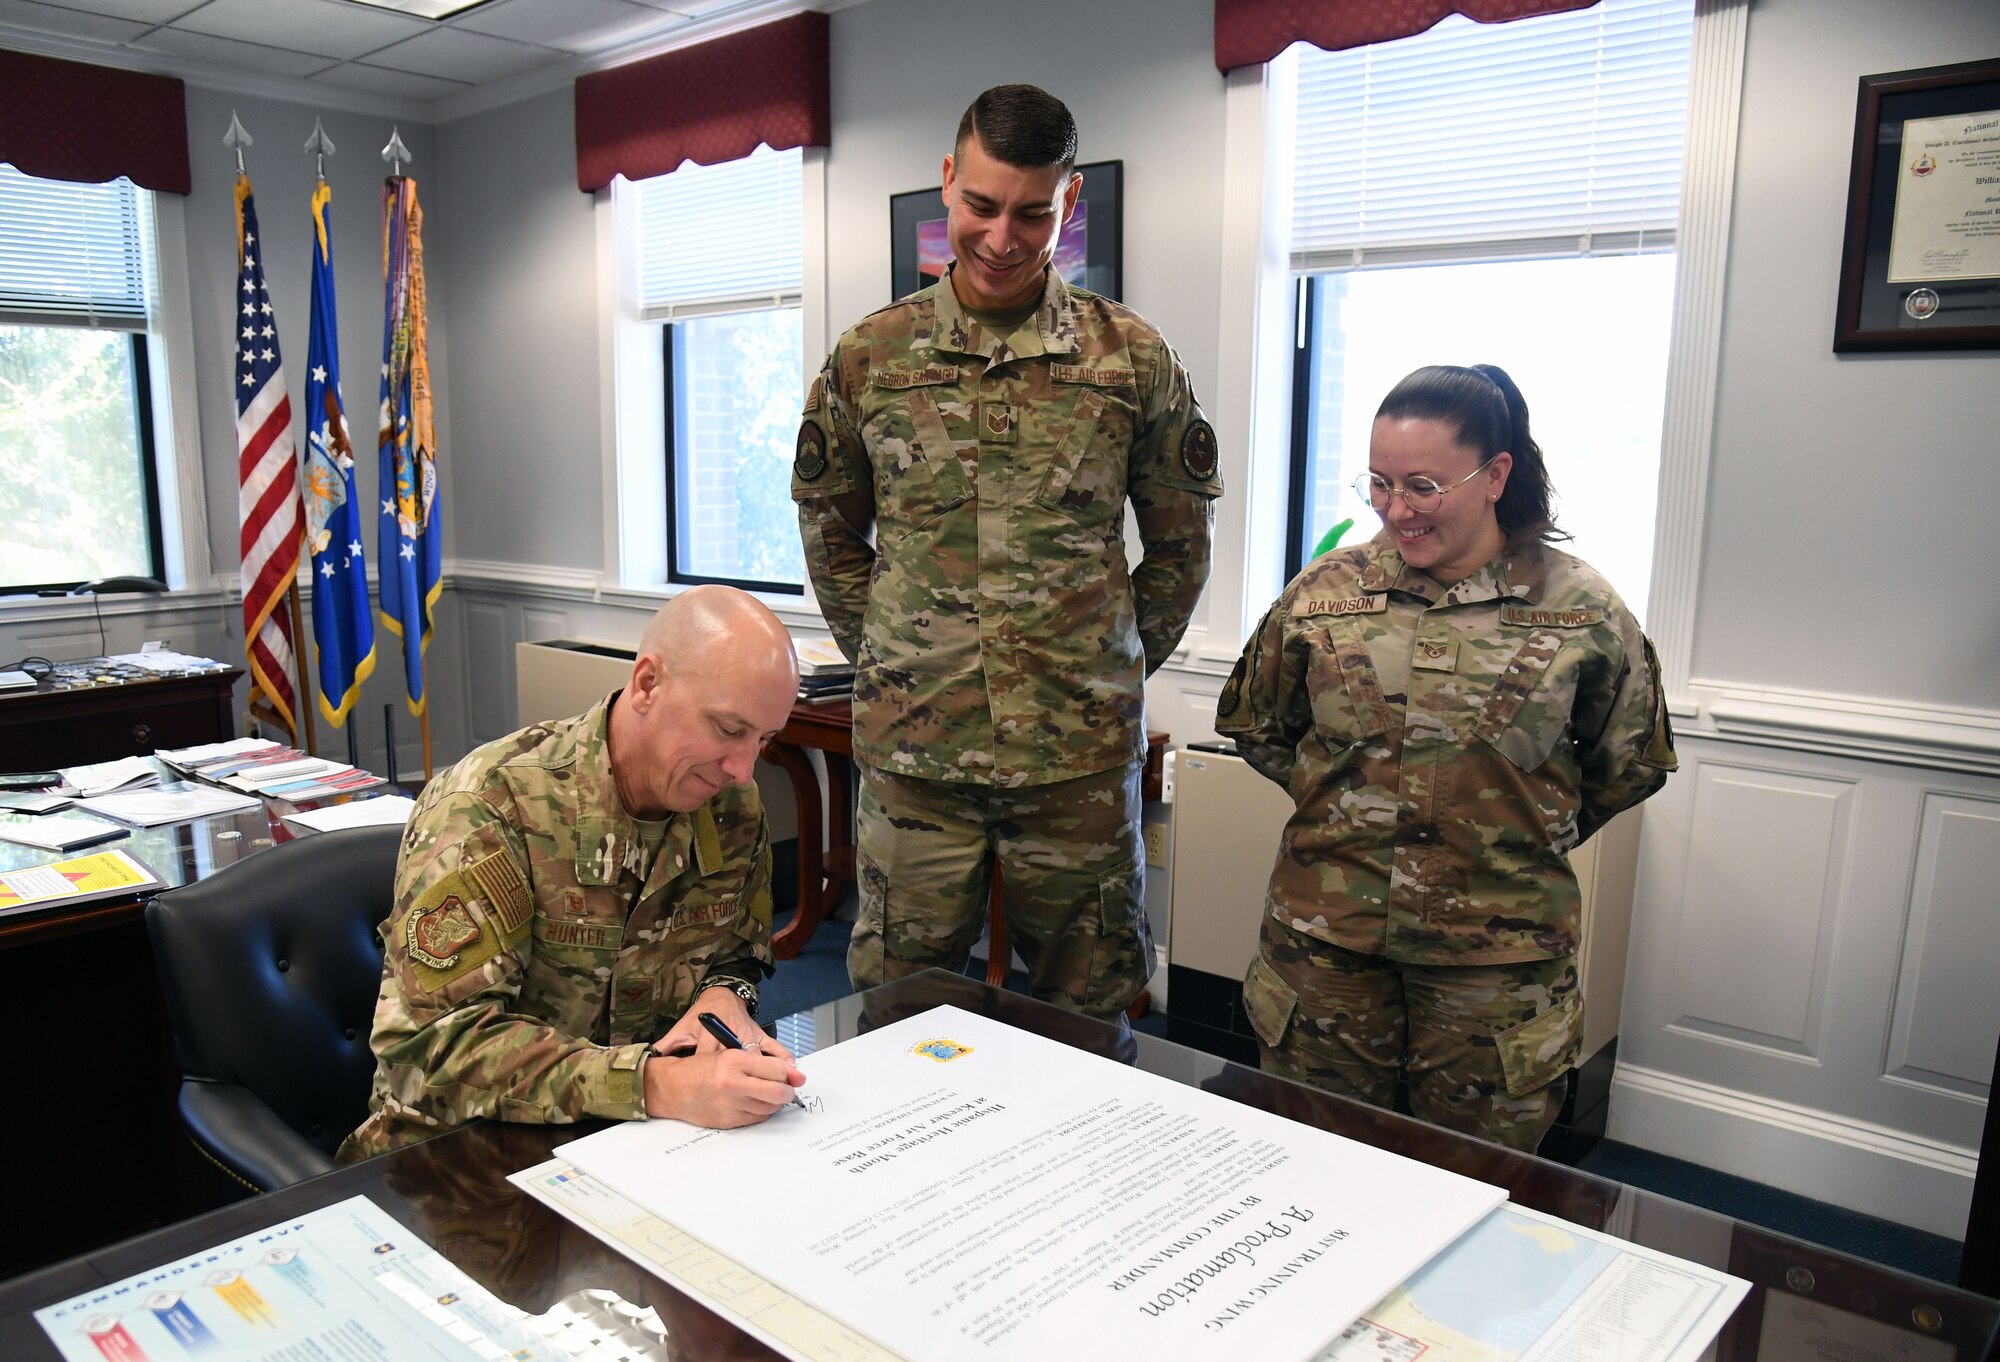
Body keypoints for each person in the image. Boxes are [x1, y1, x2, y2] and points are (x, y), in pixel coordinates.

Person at [792, 84, 1223, 1020]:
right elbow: (830, 526)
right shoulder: (872, 356)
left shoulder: (1131, 359)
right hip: (919, 759)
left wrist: (1101, 659)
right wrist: (895, 657)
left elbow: (1181, 544)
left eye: (1033, 213)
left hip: (1077, 764)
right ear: (948, 181)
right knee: (899, 1012)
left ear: (1066, 201)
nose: (1001, 237)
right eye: (980, 206)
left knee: (1091, 1012)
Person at [1215, 364, 1676, 1151]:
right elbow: (1257, 722)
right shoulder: (1324, 592)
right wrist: (1346, 806)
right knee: (1309, 1176)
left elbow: (1629, 763)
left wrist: (1511, 834)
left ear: (1495, 475)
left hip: (1495, 974)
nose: (1398, 510)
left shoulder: (1581, 611)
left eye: (1424, 487)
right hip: (1326, 956)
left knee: (1474, 1191)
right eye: (1380, 485)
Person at [339, 585, 805, 1160]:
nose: (743, 768)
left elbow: (738, 956)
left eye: (765, 739)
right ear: (647, 684)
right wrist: (649, 1083)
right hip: (460, 1157)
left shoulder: (732, 809)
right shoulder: (490, 806)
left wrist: (725, 995)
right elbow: (434, 1051)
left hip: (636, 1143)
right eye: (730, 730)